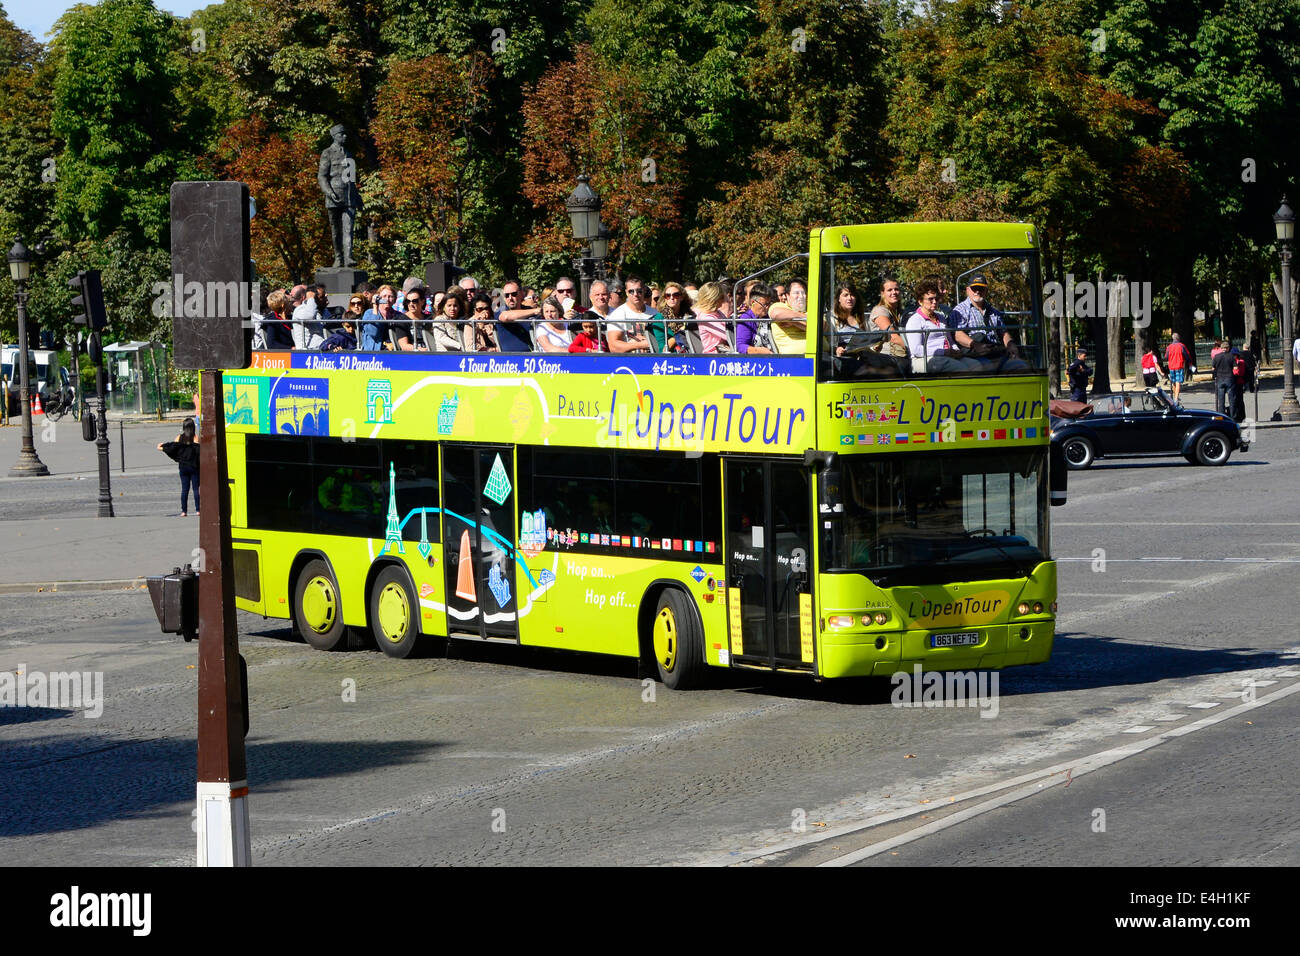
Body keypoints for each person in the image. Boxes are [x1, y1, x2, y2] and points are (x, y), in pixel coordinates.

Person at [947, 274, 1028, 371]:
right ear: (967, 290)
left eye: (981, 288)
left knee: (1021, 365)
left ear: (986, 291)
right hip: (975, 356)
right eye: (974, 288)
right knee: (988, 367)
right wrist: (975, 344)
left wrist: (1010, 344)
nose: (977, 291)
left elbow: (1003, 332)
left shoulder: (993, 311)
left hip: (995, 353)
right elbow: (957, 335)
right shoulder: (960, 310)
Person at [903, 279, 980, 373]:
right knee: (960, 368)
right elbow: (916, 350)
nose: (934, 302)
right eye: (930, 299)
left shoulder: (941, 317)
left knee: (976, 365)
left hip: (946, 356)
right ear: (920, 301)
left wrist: (956, 350)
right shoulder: (915, 320)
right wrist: (944, 352)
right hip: (924, 359)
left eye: (936, 298)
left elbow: (950, 341)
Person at [158, 417, 200, 517]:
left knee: (184, 489)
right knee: (195, 489)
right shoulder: (195, 437)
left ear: (183, 427)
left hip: (183, 467)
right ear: (193, 427)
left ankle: (184, 511)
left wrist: (162, 447)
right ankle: (198, 510)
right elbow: (199, 451)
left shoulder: (179, 438)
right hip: (194, 467)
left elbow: (172, 448)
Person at [605, 276, 654, 352]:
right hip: (628, 361)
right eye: (631, 291)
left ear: (644, 290)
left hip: (653, 360)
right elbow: (613, 347)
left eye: (639, 291)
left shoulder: (654, 313)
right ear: (626, 293)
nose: (635, 294)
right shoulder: (617, 315)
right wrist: (640, 345)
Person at [867, 278, 910, 363]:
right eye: (889, 290)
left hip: (902, 354)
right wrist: (915, 348)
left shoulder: (901, 312)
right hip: (886, 357)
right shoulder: (880, 311)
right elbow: (893, 338)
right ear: (882, 294)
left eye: (896, 289)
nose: (894, 292)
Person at [495, 279, 537, 352]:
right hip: (509, 360)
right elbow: (506, 317)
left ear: (521, 294)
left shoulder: (529, 310)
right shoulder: (500, 310)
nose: (510, 298)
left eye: (514, 294)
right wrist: (535, 310)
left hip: (531, 358)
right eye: (507, 295)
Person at [768, 278, 808, 354]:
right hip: (795, 359)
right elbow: (776, 314)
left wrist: (791, 320)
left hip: (824, 354)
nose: (801, 296)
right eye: (796, 293)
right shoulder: (779, 306)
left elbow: (822, 327)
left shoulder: (812, 309)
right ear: (787, 295)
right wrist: (805, 318)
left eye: (803, 293)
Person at [735, 282, 776, 355]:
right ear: (753, 302)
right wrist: (758, 351)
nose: (767, 307)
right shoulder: (746, 319)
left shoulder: (768, 316)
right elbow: (740, 346)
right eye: (764, 304)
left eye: (769, 304)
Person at [693, 281, 732, 354]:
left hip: (724, 351)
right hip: (714, 355)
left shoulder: (717, 313)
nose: (724, 300)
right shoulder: (706, 318)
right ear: (714, 299)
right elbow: (729, 335)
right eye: (722, 297)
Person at [429, 287, 466, 352]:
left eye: (455, 306)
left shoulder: (463, 320)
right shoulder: (439, 320)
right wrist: (459, 345)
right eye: (449, 305)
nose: (452, 308)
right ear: (443, 307)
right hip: (445, 355)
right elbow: (442, 338)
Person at [1164, 332, 1193, 404]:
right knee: (1178, 382)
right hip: (1179, 366)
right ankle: (1176, 399)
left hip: (1171, 366)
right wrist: (1190, 363)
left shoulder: (1169, 347)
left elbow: (1166, 357)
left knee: (1173, 382)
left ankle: (1175, 396)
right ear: (1178, 338)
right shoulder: (1181, 346)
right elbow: (1187, 356)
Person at [1212, 336, 1236, 416]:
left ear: (1221, 348)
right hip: (1229, 378)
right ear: (1228, 348)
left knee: (1221, 399)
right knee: (1231, 399)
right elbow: (1235, 368)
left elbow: (1213, 368)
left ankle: (1221, 416)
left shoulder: (1216, 357)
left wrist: (1215, 375)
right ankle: (1232, 416)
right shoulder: (1231, 356)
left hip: (1220, 378)